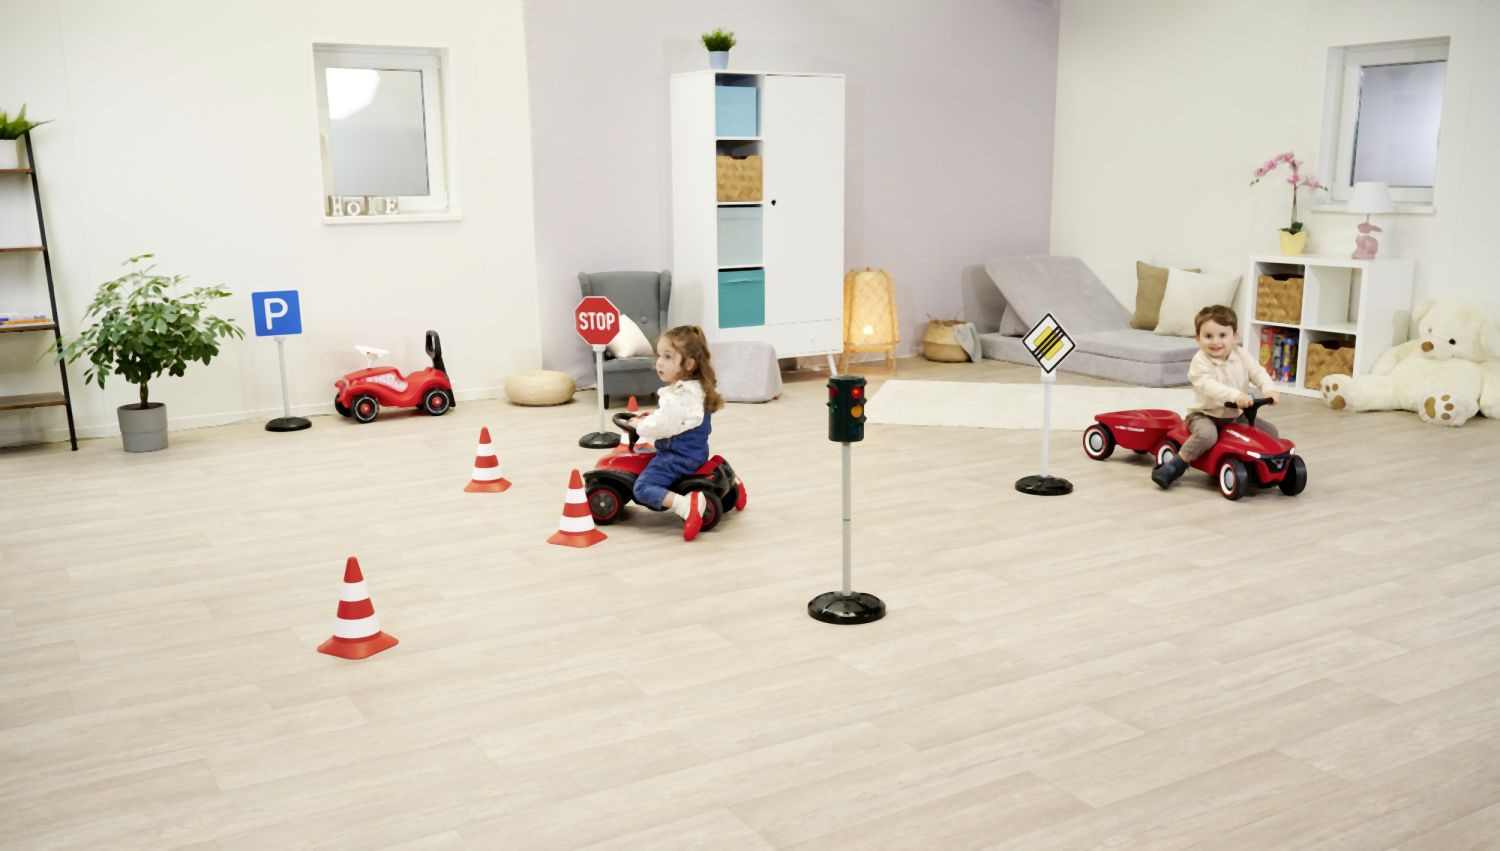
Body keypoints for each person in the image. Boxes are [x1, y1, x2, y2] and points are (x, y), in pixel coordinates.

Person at [1153, 304, 1281, 488]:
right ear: (1198, 338)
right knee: (1207, 435)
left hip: (1236, 415)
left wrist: (1269, 390)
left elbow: (1258, 372)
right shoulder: (1200, 361)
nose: (1216, 342)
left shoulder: (1241, 355)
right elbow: (1209, 386)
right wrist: (1236, 395)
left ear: (1234, 336)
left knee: (1270, 432)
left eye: (1222, 335)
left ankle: (1259, 467)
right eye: (1208, 336)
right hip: (1206, 414)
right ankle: (1176, 465)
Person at [628, 325, 725, 540]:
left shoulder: (679, 397)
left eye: (668, 357)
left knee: (642, 487)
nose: (659, 362)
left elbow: (662, 427)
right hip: (695, 453)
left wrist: (639, 425)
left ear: (688, 363)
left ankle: (685, 505)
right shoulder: (696, 388)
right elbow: (673, 419)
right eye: (659, 356)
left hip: (677, 456)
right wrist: (652, 416)